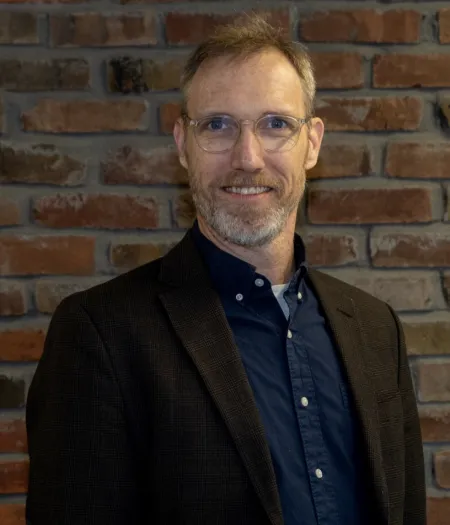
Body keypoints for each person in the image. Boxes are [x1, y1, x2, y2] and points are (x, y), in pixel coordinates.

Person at [25, 14, 426, 525]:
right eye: (217, 125)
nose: (248, 158)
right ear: (182, 145)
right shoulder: (100, 334)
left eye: (276, 124)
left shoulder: (376, 329)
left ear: (313, 143)